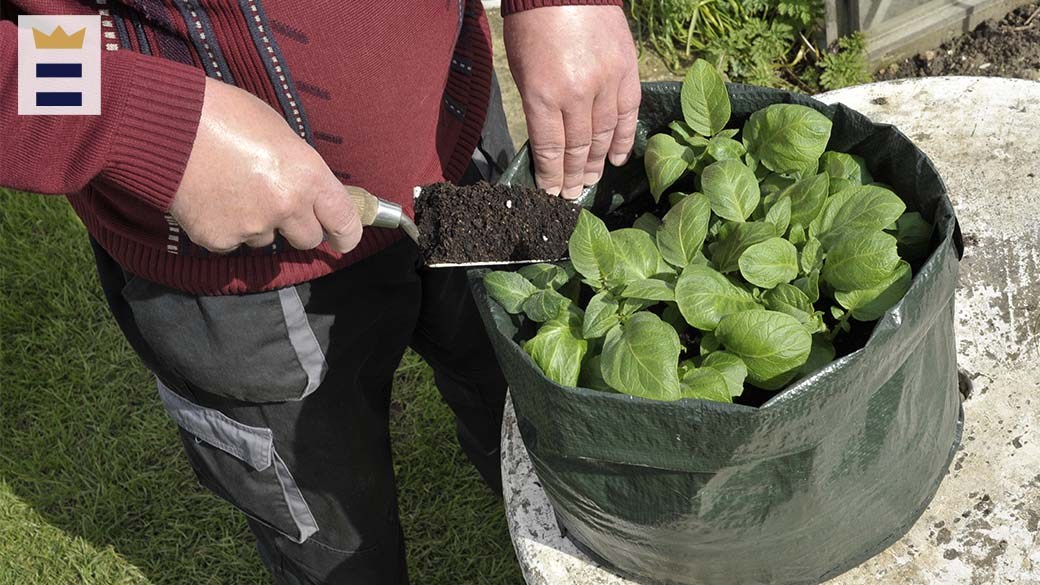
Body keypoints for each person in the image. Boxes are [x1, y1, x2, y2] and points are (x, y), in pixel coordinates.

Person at [0, 1, 640, 582]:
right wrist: (139, 118)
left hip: (455, 140)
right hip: (238, 273)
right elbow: (19, 51)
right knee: (328, 528)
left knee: (511, 393)